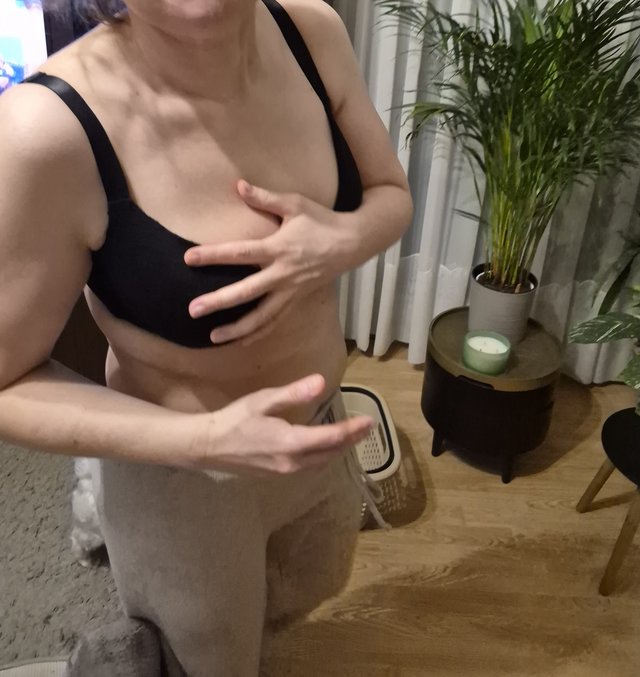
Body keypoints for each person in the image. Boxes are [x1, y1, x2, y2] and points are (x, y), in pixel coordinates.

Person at [0, 0, 413, 674]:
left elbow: (391, 193)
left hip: (321, 433)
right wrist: (204, 439)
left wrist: (342, 240)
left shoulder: (311, 30)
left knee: (303, 596)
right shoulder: (43, 131)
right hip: (188, 485)